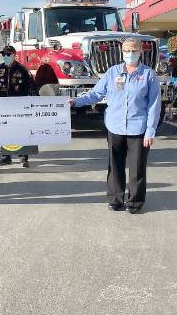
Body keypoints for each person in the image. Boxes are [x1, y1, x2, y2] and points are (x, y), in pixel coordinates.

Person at [69, 37, 161, 214]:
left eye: (133, 50)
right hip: (115, 127)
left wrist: (150, 131)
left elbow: (154, 105)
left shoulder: (148, 74)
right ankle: (115, 200)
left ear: (140, 52)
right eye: (126, 51)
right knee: (115, 165)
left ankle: (135, 202)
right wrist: (76, 101)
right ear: (122, 52)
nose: (130, 54)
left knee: (137, 168)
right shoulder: (112, 73)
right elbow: (96, 94)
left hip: (138, 129)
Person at [0, 45, 36, 168]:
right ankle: (5, 157)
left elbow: (32, 88)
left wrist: (35, 103)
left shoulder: (23, 70)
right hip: (2, 108)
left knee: (21, 131)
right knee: (4, 131)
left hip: (20, 108)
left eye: (8, 54)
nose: (5, 57)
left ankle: (24, 157)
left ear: (14, 55)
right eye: (3, 55)